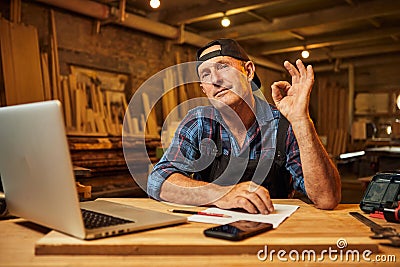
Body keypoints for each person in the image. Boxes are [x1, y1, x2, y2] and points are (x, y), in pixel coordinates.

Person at [147, 38, 341, 214]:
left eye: (223, 67)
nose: (215, 80)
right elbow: (158, 180)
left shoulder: (282, 125)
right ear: (203, 89)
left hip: (275, 234)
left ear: (248, 71)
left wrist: (300, 120)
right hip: (209, 232)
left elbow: (327, 198)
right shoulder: (199, 122)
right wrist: (221, 195)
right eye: (206, 75)